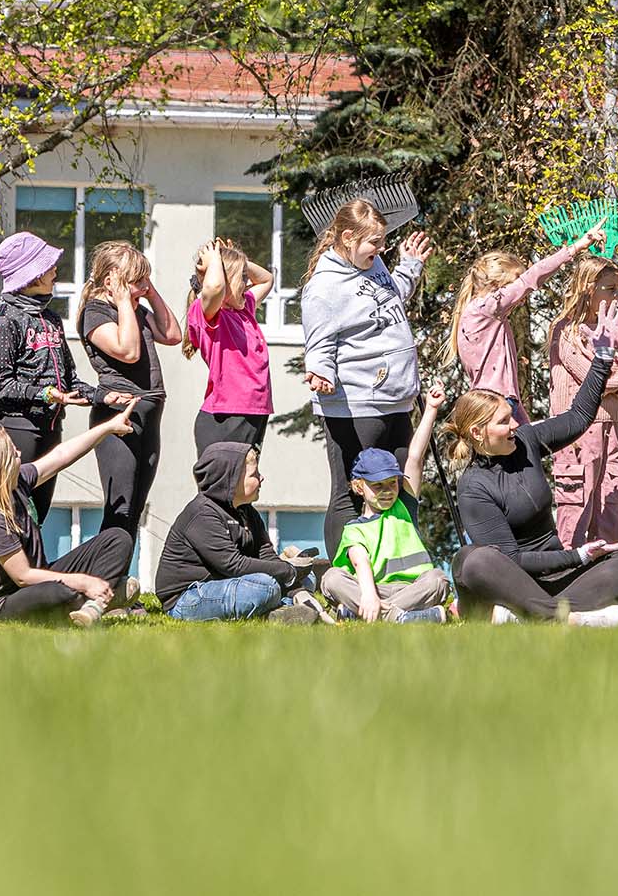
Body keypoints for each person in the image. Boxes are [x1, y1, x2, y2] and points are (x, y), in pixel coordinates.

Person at [451, 308, 618, 626]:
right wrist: (580, 554)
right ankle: (566, 618)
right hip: (512, 582)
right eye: (504, 422)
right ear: (478, 432)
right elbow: (512, 560)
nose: (515, 425)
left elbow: (577, 418)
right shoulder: (473, 487)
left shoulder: (527, 441)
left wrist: (602, 356)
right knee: (472, 561)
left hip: (556, 576)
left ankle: (533, 616)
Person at [299, 198, 434, 557]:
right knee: (350, 490)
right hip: (356, 404)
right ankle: (345, 577)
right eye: (375, 241)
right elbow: (319, 339)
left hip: (395, 398)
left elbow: (388, 302)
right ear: (347, 238)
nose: (382, 247)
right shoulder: (324, 285)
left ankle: (399, 566)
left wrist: (410, 267)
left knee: (402, 483)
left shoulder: (372, 268)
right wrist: (322, 371)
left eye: (383, 240)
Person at [0, 230, 131, 522]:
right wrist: (45, 394)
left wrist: (102, 396)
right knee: (13, 514)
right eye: (48, 265)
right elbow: (0, 385)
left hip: (52, 430)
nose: (55, 270)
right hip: (18, 433)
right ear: (33, 276)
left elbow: (69, 381)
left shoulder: (51, 319)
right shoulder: (5, 322)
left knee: (38, 517)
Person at [0, 409, 141, 625]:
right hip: (7, 602)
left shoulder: (17, 482)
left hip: (39, 578)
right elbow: (22, 576)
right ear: (0, 470)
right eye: (12, 453)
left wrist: (108, 427)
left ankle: (93, 605)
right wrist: (81, 581)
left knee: (118, 538)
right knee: (60, 591)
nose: (19, 452)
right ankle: (105, 596)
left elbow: (61, 456)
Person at [77, 241, 184, 584]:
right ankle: (101, 584)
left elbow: (173, 334)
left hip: (149, 415)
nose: (141, 287)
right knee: (120, 506)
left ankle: (117, 583)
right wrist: (124, 301)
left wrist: (148, 294)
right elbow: (127, 351)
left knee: (135, 507)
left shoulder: (136, 309)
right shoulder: (97, 312)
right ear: (112, 280)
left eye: (145, 279)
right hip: (118, 416)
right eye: (135, 280)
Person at [154, 439, 326, 624]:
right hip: (188, 597)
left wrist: (295, 585)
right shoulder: (202, 513)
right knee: (266, 587)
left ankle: (282, 611)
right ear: (231, 479)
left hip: (229, 584)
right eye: (254, 474)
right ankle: (283, 607)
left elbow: (266, 555)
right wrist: (289, 571)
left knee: (305, 577)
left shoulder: (246, 511)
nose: (261, 478)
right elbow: (233, 565)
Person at [449, 221, 606, 415]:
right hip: (498, 402)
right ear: (498, 283)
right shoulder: (487, 308)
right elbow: (532, 277)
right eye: (515, 281)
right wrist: (577, 247)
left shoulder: (474, 313)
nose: (522, 294)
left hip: (494, 401)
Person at [323, 385, 451, 623]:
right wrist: (370, 596)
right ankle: (402, 617)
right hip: (372, 589)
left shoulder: (404, 507)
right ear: (359, 487)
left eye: (392, 483)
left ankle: (372, 614)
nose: (387, 491)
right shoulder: (354, 529)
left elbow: (414, 456)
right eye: (378, 485)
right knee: (332, 578)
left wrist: (431, 410)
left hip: (411, 588)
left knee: (438, 579)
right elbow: (360, 564)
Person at [546, 254, 618, 546]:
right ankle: (567, 575)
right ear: (588, 288)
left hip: (612, 427)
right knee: (578, 507)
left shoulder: (616, 335)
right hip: (577, 432)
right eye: (610, 289)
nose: (617, 296)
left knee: (610, 508)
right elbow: (596, 382)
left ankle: (608, 582)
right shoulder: (567, 332)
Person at [184, 237, 276, 452]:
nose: (247, 283)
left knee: (247, 482)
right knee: (228, 484)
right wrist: (215, 259)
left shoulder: (244, 310)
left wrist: (235, 258)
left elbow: (267, 279)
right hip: (226, 416)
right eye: (242, 278)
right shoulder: (208, 313)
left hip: (254, 411)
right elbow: (215, 287)